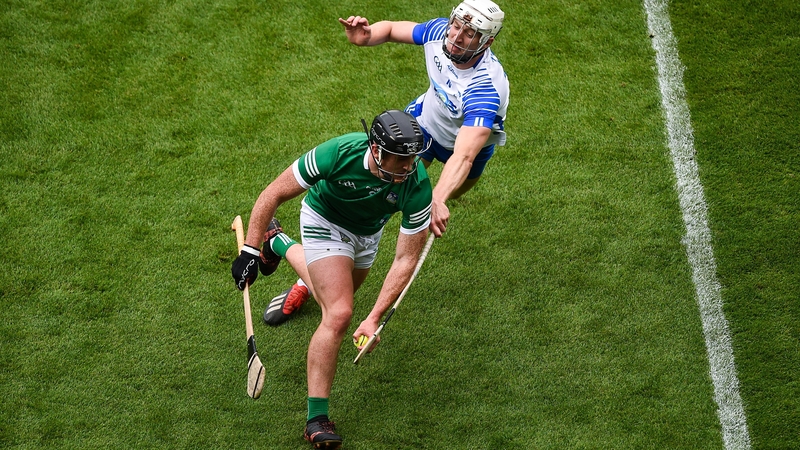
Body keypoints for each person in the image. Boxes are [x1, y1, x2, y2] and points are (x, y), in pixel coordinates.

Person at [231, 110, 432, 449]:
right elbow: (274, 193)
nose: (408, 167)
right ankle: (316, 419)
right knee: (338, 313)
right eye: (401, 160)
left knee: (335, 297)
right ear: (377, 151)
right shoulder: (339, 153)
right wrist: (249, 252)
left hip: (367, 234)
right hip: (324, 220)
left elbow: (406, 258)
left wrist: (373, 318)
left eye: (412, 159)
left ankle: (278, 242)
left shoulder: (416, 183)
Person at [339, 0, 509, 238]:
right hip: (424, 125)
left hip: (468, 147)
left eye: (469, 33)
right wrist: (367, 36)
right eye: (456, 25)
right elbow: (389, 30)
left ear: (487, 42)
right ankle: (352, 233)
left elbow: (464, 155)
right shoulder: (439, 32)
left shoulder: (485, 89)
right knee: (388, 184)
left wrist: (438, 198)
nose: (457, 37)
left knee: (452, 192)